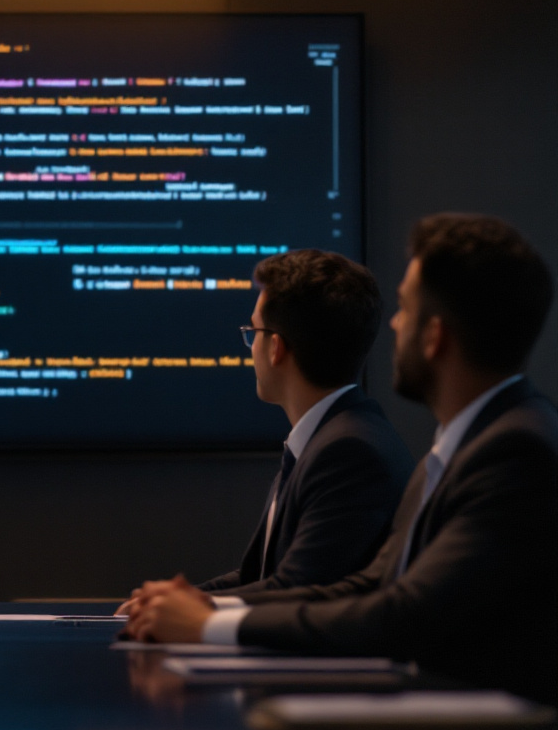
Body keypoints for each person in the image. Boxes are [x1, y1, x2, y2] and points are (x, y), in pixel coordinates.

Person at [121, 214, 557, 704]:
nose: (393, 325)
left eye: (405, 309)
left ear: (434, 336)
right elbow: (370, 585)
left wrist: (210, 625)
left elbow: (405, 614)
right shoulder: (469, 445)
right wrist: (208, 612)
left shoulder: (516, 451)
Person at [117, 250, 413, 610]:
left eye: (253, 332)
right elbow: (259, 576)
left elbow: (296, 590)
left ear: (275, 347)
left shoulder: (348, 452)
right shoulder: (332, 437)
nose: (250, 346)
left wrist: (189, 611)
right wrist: (178, 600)